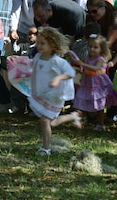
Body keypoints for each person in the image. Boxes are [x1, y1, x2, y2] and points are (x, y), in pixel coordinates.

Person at [28, 27, 80, 156]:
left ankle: (46, 148)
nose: (38, 46)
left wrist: (58, 78)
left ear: (52, 45)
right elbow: (32, 67)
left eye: (42, 43)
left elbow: (70, 72)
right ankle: (72, 116)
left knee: (45, 121)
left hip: (55, 95)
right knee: (51, 122)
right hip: (43, 93)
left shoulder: (57, 61)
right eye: (38, 43)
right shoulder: (38, 57)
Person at [66, 34, 115, 132]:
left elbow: (96, 68)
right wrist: (73, 59)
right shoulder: (88, 57)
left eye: (95, 47)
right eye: (90, 46)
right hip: (86, 83)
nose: (92, 49)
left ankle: (101, 124)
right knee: (81, 100)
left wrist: (82, 64)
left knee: (99, 106)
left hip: (97, 85)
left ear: (101, 49)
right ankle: (80, 119)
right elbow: (79, 62)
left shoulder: (100, 59)